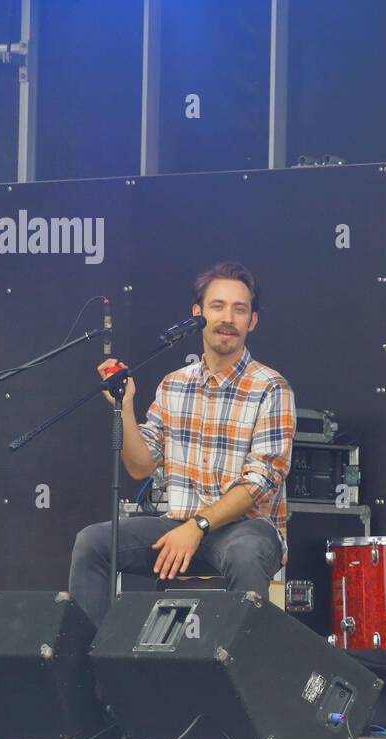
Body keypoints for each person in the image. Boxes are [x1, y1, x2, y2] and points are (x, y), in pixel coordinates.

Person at [68, 262, 294, 626]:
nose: (228, 318)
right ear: (198, 314)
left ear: (252, 321)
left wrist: (197, 526)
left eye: (240, 309)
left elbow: (259, 483)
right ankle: (89, 677)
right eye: (217, 306)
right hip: (178, 523)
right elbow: (141, 465)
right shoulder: (173, 385)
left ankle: (240, 676)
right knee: (92, 543)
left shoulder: (271, 386)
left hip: (245, 528)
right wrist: (125, 408)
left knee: (245, 553)